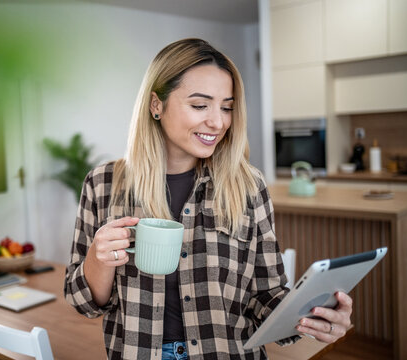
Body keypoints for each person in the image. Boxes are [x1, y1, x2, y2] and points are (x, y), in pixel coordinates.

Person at [64, 38, 352, 359]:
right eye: (200, 105)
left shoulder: (247, 185)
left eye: (226, 107)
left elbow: (265, 294)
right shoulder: (104, 183)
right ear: (156, 105)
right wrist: (98, 259)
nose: (218, 122)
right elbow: (84, 302)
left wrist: (312, 316)